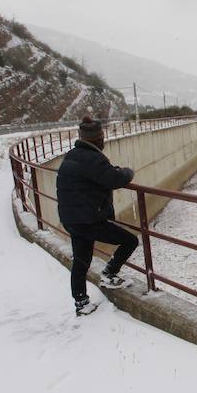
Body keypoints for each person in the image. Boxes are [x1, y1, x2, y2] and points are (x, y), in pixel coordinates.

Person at [56, 115, 138, 316]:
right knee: (130, 240)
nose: (104, 140)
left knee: (81, 261)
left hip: (71, 219)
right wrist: (128, 172)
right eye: (102, 137)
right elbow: (115, 178)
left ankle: (81, 303)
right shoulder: (93, 158)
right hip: (89, 219)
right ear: (97, 139)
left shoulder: (73, 155)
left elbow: (98, 176)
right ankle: (109, 273)